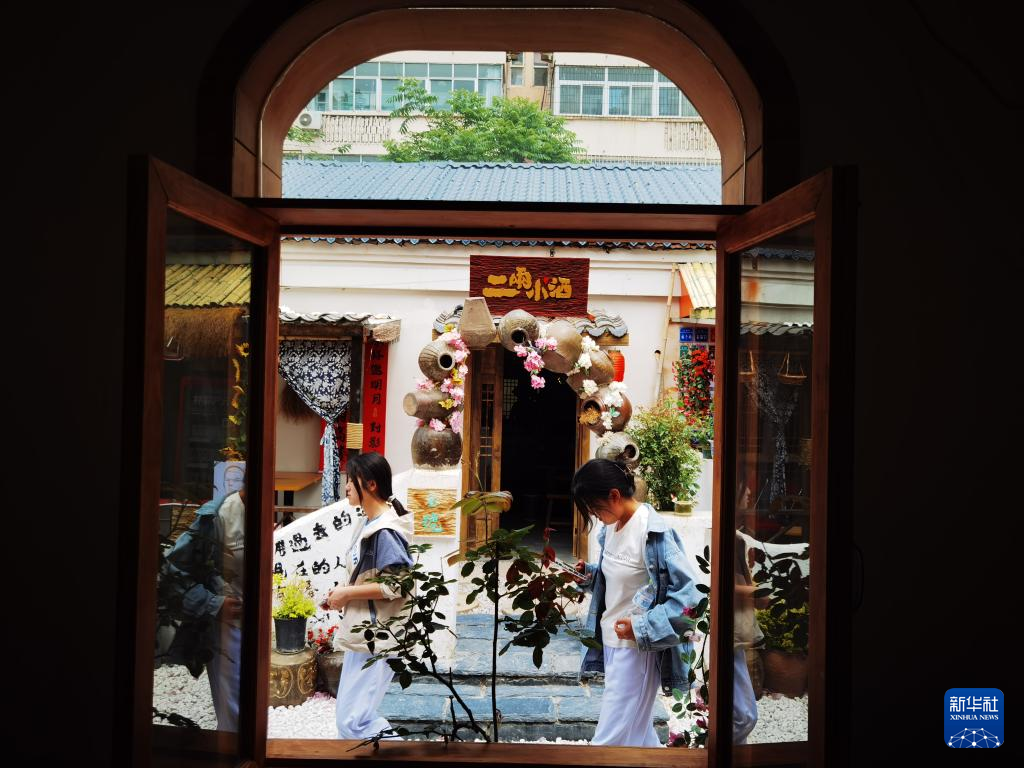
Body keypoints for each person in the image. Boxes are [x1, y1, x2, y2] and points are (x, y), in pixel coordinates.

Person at [572, 458, 701, 747]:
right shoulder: (611, 527)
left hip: (636, 651)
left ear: (614, 495)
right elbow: (621, 582)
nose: (592, 513)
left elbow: (691, 597)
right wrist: (588, 575)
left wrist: (642, 627)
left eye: (593, 506)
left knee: (609, 739)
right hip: (610, 642)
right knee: (637, 735)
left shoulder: (653, 533)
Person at [326, 452, 414, 740]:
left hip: (378, 635)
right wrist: (341, 595)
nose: (346, 486)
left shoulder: (385, 530)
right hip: (364, 631)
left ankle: (398, 754)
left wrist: (347, 593)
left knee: (353, 722)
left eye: (351, 480)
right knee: (350, 719)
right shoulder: (368, 523)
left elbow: (397, 584)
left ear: (371, 484)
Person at [159, 485, 246, 731]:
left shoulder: (263, 511)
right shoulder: (218, 515)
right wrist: (212, 604)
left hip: (257, 627)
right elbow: (170, 571)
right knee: (235, 715)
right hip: (228, 628)